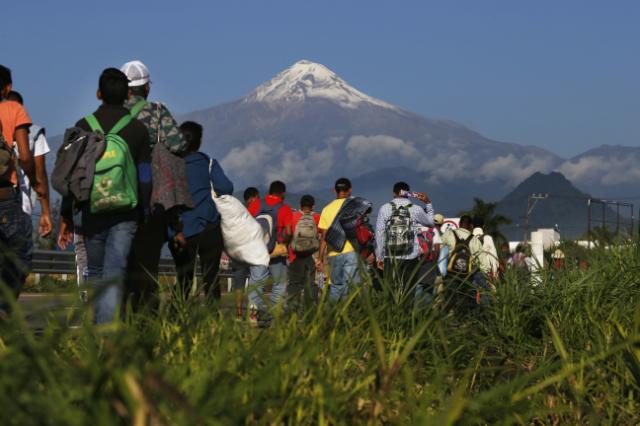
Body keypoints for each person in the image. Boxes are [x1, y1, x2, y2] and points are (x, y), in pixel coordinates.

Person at [65, 68, 151, 323]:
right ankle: (108, 332)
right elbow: (145, 176)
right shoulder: (137, 130)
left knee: (96, 270)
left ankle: (96, 329)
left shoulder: (83, 126)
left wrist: (67, 213)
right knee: (115, 272)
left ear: (98, 93)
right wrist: (144, 211)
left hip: (92, 209)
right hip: (126, 212)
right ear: (127, 94)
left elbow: (72, 174)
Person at [120, 60, 190, 311]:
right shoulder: (158, 112)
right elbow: (179, 144)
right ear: (146, 88)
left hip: (114, 198)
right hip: (149, 198)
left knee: (118, 266)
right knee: (147, 267)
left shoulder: (110, 113)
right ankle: (145, 324)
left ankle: (114, 319)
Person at [168, 121, 233, 302]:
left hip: (181, 229)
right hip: (209, 226)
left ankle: (175, 316)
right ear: (200, 141)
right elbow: (226, 188)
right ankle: (213, 320)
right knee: (211, 277)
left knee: (184, 278)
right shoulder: (209, 163)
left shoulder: (172, 166)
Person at [0, 65, 41, 314]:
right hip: (6, 199)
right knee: (19, 257)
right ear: (8, 87)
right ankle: (4, 310)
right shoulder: (14, 108)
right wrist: (35, 182)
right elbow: (26, 155)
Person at [374, 182, 434, 304]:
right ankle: (406, 318)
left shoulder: (384, 208)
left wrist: (379, 257)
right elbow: (430, 223)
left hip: (390, 257)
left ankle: (391, 319)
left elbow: (379, 234)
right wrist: (428, 203)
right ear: (408, 193)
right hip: (410, 256)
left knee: (390, 291)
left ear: (394, 193)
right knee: (408, 292)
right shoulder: (415, 209)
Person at [5, 91, 53, 239]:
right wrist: (45, 212)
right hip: (22, 207)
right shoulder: (34, 133)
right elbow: (40, 173)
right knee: (19, 257)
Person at [247, 181, 293, 321]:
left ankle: (253, 317)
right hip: (276, 251)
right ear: (283, 194)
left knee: (256, 284)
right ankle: (275, 315)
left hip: (258, 251)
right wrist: (284, 243)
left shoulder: (256, 204)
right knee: (279, 284)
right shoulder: (284, 208)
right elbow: (289, 231)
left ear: (269, 191)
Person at [316, 178, 360, 302]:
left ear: (334, 190)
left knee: (336, 286)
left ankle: (333, 316)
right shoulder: (355, 207)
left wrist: (320, 258)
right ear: (350, 190)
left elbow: (324, 236)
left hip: (333, 253)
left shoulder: (326, 209)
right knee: (349, 286)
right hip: (351, 251)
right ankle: (346, 315)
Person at [288, 194, 320, 311]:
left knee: (294, 285)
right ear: (313, 206)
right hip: (310, 257)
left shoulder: (293, 216)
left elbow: (287, 233)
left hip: (294, 256)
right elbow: (323, 234)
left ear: (300, 205)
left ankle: (292, 313)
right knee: (310, 284)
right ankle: (310, 312)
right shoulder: (317, 217)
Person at [441, 215, 479, 312]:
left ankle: (447, 318)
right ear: (471, 226)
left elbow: (438, 247)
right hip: (467, 275)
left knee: (449, 297)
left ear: (459, 224)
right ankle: (461, 319)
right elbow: (478, 259)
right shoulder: (474, 239)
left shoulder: (449, 234)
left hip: (451, 273)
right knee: (464, 299)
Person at [232, 187, 259, 318]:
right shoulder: (257, 212)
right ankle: (252, 314)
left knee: (238, 283)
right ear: (253, 197)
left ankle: (238, 312)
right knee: (256, 280)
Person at [470, 216, 499, 304]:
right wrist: (495, 274)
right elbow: (494, 259)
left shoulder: (469, 238)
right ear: (483, 226)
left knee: (473, 301)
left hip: (472, 275)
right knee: (487, 301)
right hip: (486, 275)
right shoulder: (488, 238)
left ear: (471, 226)